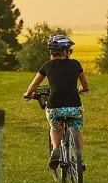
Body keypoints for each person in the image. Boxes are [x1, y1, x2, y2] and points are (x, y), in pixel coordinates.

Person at [23, 35, 89, 170]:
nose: (70, 53)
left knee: (55, 127)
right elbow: (85, 84)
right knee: (76, 129)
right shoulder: (76, 64)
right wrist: (82, 89)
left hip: (55, 108)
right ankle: (79, 159)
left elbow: (34, 84)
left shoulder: (47, 66)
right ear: (64, 51)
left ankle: (55, 149)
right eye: (70, 50)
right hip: (74, 107)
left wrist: (28, 94)